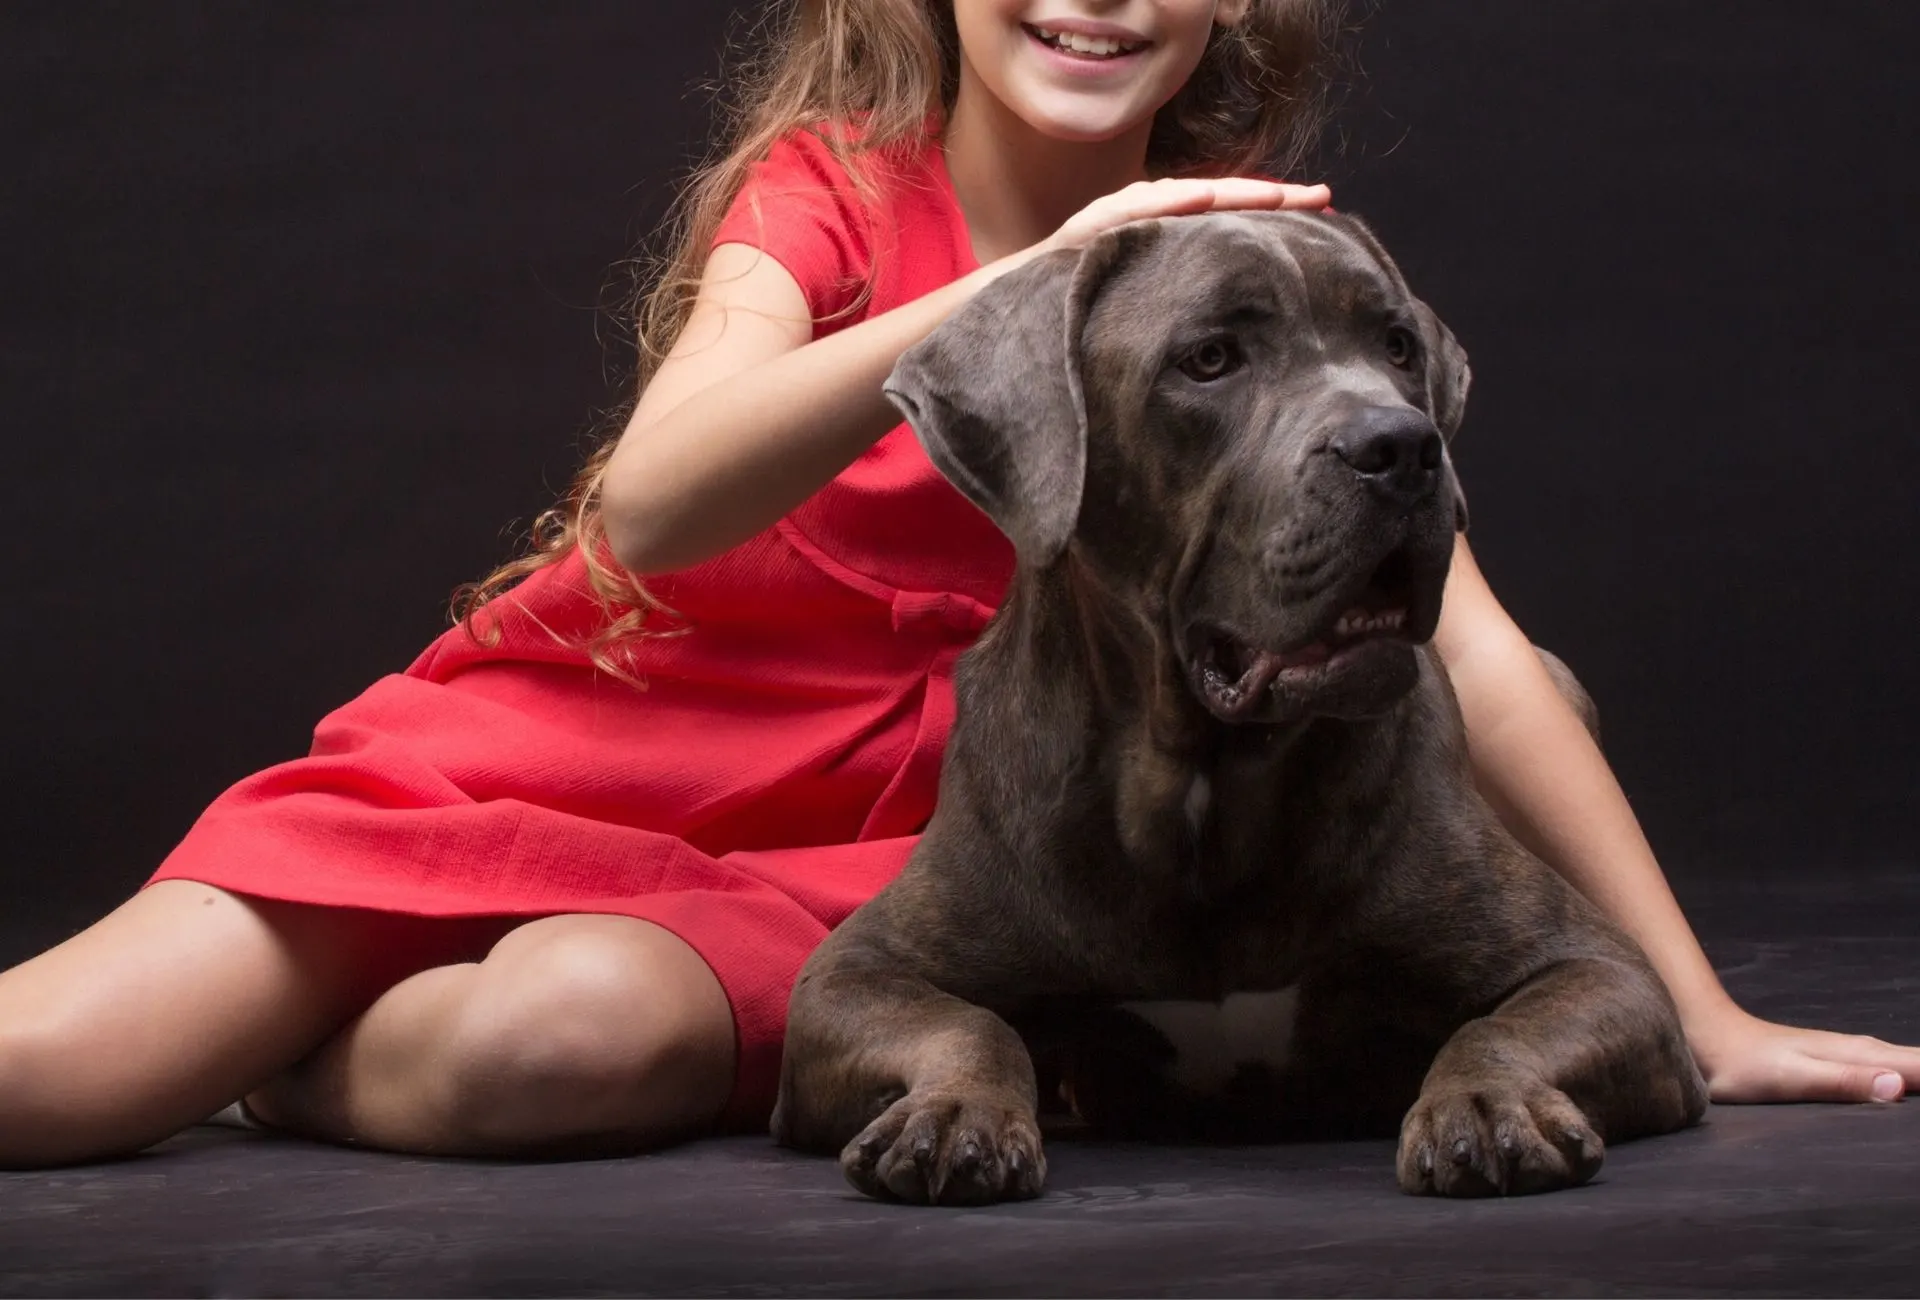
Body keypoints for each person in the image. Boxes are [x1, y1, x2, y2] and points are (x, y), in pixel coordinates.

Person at [2, 0, 1913, 1171]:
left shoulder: (1237, 252)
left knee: (558, 1043)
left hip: (891, 841)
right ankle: (234, 1023)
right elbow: (653, 508)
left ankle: (286, 1086)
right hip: (600, 741)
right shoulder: (835, 189)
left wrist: (1702, 1010)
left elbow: (1476, 652)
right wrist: (1033, 277)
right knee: (45, 1077)